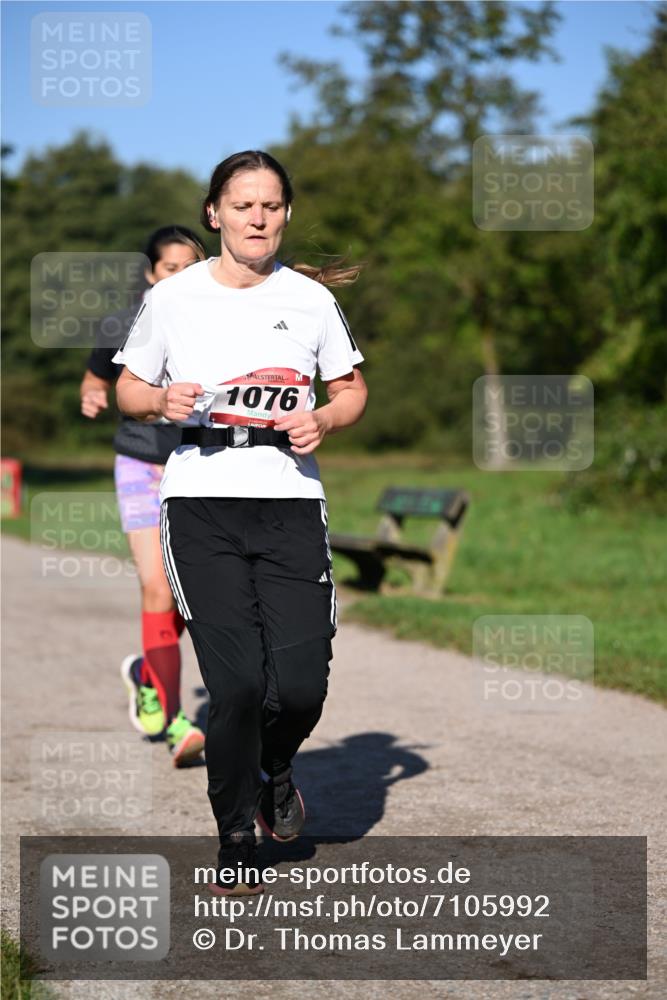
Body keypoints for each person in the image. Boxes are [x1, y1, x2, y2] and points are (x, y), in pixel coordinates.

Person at [115, 150, 368, 895]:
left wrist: (324, 415)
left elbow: (350, 389)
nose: (258, 218)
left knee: (297, 688)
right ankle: (234, 839)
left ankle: (273, 769)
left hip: (290, 501)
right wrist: (157, 402)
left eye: (271, 206)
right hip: (198, 501)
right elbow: (130, 385)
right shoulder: (175, 299)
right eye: (243, 205)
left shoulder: (311, 301)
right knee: (232, 688)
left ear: (285, 215)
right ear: (214, 214)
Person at [80, 226, 208, 767]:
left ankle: (144, 673)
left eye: (190, 266)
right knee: (157, 586)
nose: (181, 277)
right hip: (140, 462)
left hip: (203, 464)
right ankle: (179, 720)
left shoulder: (220, 319)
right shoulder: (126, 323)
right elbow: (96, 376)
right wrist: (92, 393)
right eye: (170, 268)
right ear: (152, 275)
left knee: (192, 594)